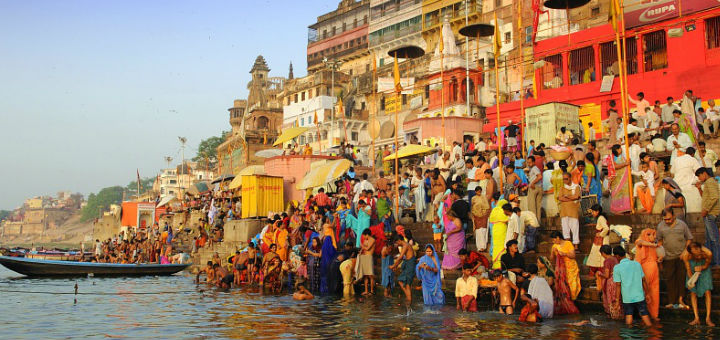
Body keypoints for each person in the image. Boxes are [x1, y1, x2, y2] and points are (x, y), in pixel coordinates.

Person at [657, 208, 693, 309]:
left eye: (669, 219)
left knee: (681, 279)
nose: (667, 221)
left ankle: (682, 300)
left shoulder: (682, 225)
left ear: (673, 216)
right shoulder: (660, 226)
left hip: (681, 257)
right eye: (665, 219)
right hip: (668, 257)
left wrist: (686, 251)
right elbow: (659, 241)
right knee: (670, 279)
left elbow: (689, 238)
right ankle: (672, 301)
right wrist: (659, 255)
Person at [612, 246, 653, 326]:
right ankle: (652, 332)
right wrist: (647, 293)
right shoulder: (637, 264)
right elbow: (643, 280)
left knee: (629, 315)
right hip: (639, 296)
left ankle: (628, 335)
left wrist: (617, 300)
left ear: (617, 256)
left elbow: (618, 285)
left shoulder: (617, 268)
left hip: (627, 297)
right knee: (644, 314)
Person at [683, 242, 714, 326]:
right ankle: (696, 318)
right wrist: (692, 280)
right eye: (695, 254)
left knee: (707, 291)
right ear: (691, 253)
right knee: (693, 292)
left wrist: (702, 267)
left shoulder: (707, 253)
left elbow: (707, 264)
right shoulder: (686, 256)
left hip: (704, 267)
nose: (698, 256)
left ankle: (708, 318)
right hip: (692, 267)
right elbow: (688, 269)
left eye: (699, 253)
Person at [633, 228, 661, 321]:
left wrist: (660, 259)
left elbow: (658, 255)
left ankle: (654, 314)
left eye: (653, 234)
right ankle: (644, 314)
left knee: (655, 292)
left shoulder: (654, 246)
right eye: (649, 234)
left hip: (654, 270)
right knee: (645, 291)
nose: (651, 236)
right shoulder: (640, 241)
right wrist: (653, 245)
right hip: (644, 270)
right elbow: (641, 242)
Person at [550, 231, 580, 314]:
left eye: (554, 240)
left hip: (571, 268)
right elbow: (552, 258)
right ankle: (566, 304)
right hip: (561, 270)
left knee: (572, 287)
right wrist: (553, 252)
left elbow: (573, 255)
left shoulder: (568, 243)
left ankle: (571, 303)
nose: (553, 241)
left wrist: (564, 253)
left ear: (558, 237)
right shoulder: (554, 246)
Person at [696, 167, 720, 265]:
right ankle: (713, 261)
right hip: (709, 214)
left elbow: (715, 197)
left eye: (699, 176)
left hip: (710, 214)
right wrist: (699, 189)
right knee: (710, 240)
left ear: (704, 173)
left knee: (714, 240)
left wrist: (706, 210)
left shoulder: (710, 182)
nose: (699, 178)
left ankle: (716, 262)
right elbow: (706, 198)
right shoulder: (708, 183)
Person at [596, 245, 623, 319]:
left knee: (611, 300)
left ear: (603, 253)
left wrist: (600, 273)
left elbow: (607, 275)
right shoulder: (615, 259)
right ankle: (620, 315)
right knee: (617, 299)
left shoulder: (607, 261)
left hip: (611, 282)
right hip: (618, 281)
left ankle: (613, 316)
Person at [585, 204, 610, 280]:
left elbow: (606, 229)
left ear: (597, 211)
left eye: (593, 211)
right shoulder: (601, 218)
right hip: (601, 240)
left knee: (598, 256)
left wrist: (600, 234)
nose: (592, 213)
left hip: (601, 241)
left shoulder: (601, 218)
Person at [390, 233, 416, 302]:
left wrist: (393, 265)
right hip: (408, 265)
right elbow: (401, 259)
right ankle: (408, 297)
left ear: (399, 240)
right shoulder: (405, 245)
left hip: (410, 265)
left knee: (407, 284)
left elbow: (400, 257)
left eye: (397, 243)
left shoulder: (406, 245)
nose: (397, 244)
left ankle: (409, 299)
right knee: (401, 281)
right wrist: (395, 265)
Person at [558, 172, 581, 249]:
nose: (564, 180)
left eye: (566, 179)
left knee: (575, 228)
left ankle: (576, 245)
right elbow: (560, 198)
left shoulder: (576, 187)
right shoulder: (562, 188)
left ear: (570, 178)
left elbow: (576, 196)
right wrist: (571, 197)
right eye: (563, 179)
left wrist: (566, 196)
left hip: (573, 211)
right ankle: (569, 246)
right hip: (564, 211)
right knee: (565, 228)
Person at [608, 144, 632, 214]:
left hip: (624, 180)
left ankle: (626, 208)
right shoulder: (613, 158)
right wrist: (625, 164)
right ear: (617, 150)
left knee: (625, 193)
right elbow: (614, 167)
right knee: (617, 193)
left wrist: (628, 162)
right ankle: (617, 210)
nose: (621, 150)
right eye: (620, 148)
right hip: (617, 179)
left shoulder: (623, 156)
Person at [489, 200, 510, 269]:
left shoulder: (494, 210)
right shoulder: (502, 210)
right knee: (502, 246)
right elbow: (508, 218)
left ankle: (495, 264)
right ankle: (501, 265)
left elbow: (490, 219)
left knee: (496, 247)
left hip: (495, 229)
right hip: (502, 228)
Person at [355, 229, 375, 296]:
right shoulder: (365, 240)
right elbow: (363, 249)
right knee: (365, 275)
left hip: (369, 257)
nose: (363, 237)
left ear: (367, 235)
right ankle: (366, 290)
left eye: (364, 235)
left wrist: (361, 245)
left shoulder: (372, 240)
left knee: (370, 275)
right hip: (364, 257)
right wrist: (360, 252)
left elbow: (367, 248)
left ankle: (371, 291)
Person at [471, 186, 490, 253]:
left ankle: (483, 247)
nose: (479, 192)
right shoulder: (473, 198)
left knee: (484, 231)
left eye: (480, 191)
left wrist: (484, 214)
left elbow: (487, 207)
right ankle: (479, 247)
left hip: (484, 216)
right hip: (476, 216)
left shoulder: (484, 197)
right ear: (475, 192)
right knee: (478, 232)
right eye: (478, 191)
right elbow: (472, 208)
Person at [526, 156, 543, 220]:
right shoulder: (533, 169)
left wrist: (532, 183)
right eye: (528, 163)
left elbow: (539, 177)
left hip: (534, 188)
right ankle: (537, 223)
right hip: (539, 187)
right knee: (538, 207)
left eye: (530, 162)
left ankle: (534, 224)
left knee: (532, 207)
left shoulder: (534, 168)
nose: (528, 164)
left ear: (533, 162)